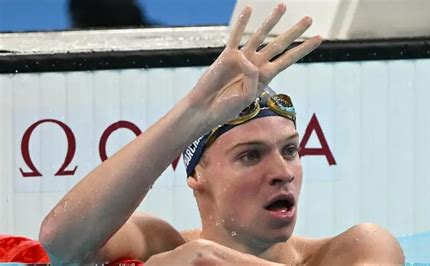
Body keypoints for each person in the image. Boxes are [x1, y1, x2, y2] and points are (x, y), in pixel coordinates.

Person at [39, 4, 404, 265]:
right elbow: (62, 245)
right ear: (197, 173)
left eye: (290, 150)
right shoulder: (159, 243)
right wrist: (192, 113)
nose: (283, 172)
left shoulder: (358, 248)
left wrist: (214, 259)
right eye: (251, 155)